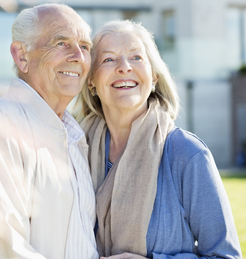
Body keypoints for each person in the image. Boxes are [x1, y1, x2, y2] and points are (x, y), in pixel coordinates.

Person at [78, 20, 242, 259]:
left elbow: (226, 256)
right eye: (108, 59)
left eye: (136, 57)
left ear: (154, 77)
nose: (124, 67)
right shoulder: (76, 149)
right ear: (91, 81)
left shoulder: (187, 153)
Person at [0, 3, 98, 258]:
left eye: (85, 47)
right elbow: (2, 246)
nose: (78, 57)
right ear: (22, 56)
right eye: (61, 43)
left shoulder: (76, 136)